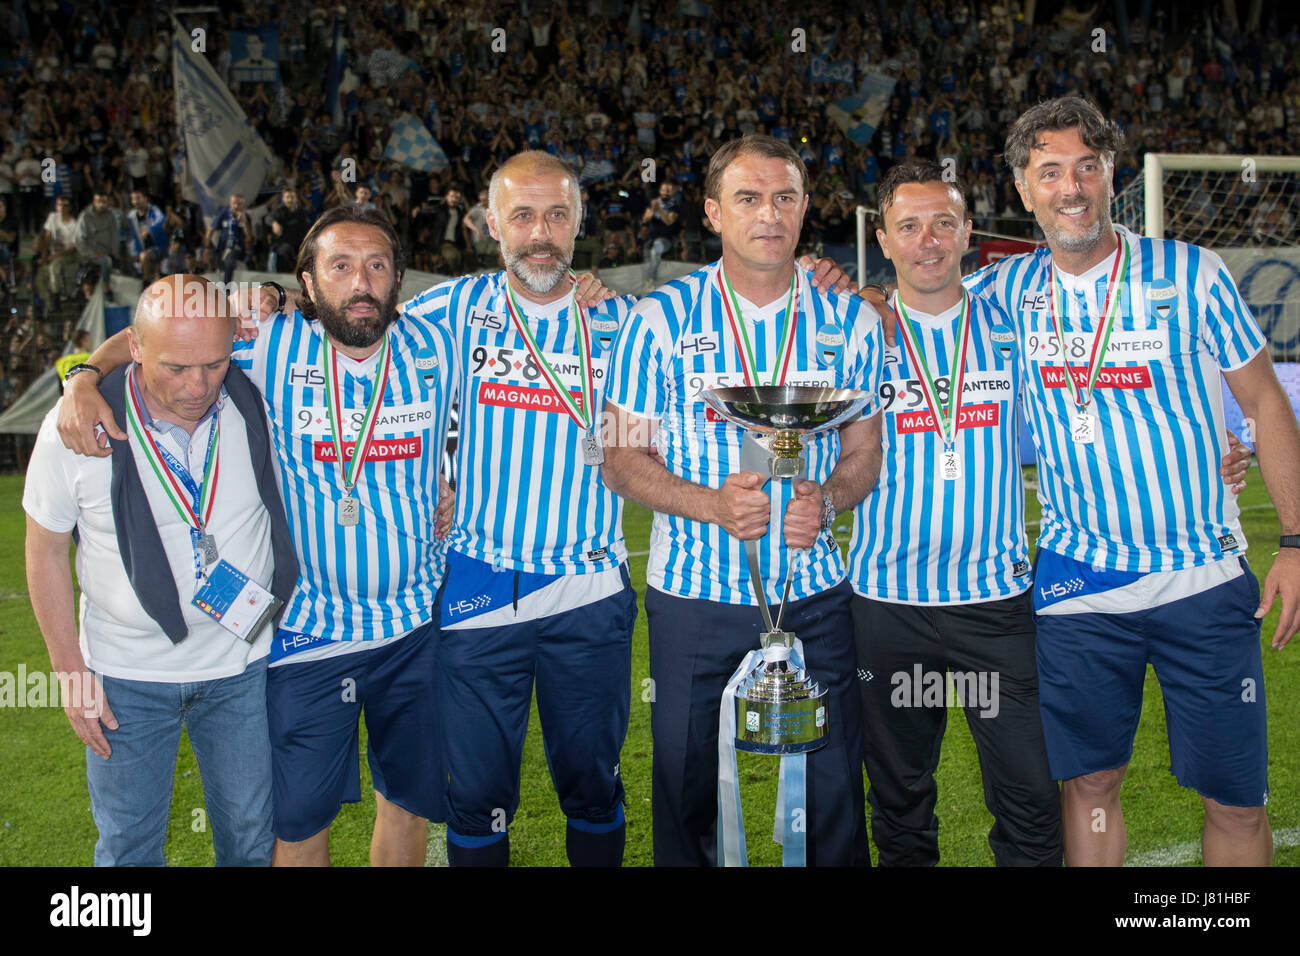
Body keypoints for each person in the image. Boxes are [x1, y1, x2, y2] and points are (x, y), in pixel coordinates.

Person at [864, 96, 1300, 866]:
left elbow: (1264, 402)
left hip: (1201, 576)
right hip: (1080, 589)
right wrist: (863, 297)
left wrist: (1296, 541)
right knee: (1089, 789)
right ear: (1025, 192)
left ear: (1111, 177)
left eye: (1087, 168)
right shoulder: (1003, 297)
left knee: (1236, 800)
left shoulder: (1191, 274)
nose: (1072, 188)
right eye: (1051, 172)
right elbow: (918, 297)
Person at [56, 206, 457, 867]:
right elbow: (151, 338)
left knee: (407, 805)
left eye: (378, 266)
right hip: (306, 636)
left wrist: (450, 482)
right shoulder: (270, 343)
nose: (362, 281)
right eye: (341, 266)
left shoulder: (434, 344)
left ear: (398, 279)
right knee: (296, 824)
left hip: (413, 629)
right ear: (308, 280)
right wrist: (81, 376)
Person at [601, 134, 882, 866]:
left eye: (785, 197)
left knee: (833, 796)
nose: (769, 214)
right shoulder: (655, 320)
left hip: (815, 594)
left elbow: (865, 455)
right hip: (691, 599)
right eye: (749, 198)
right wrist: (710, 505)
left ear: (804, 209)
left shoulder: (851, 324)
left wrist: (828, 497)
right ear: (713, 212)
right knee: (687, 789)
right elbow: (619, 456)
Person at [401, 151, 640, 867]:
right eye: (524, 216)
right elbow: (358, 363)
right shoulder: (445, 311)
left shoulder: (624, 323)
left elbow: (649, 446)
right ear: (491, 223)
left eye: (557, 215)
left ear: (579, 222)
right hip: (479, 588)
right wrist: (88, 375)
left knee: (594, 786)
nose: (542, 233)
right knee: (475, 793)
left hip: (588, 590)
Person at [24, 274, 298, 866]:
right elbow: (45, 550)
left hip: (242, 668)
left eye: (215, 363)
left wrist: (273, 291)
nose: (198, 386)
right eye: (176, 368)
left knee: (251, 840)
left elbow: (347, 309)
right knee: (127, 848)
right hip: (125, 677)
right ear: (136, 347)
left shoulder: (258, 395)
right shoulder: (74, 427)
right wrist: (69, 673)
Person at [849, 159, 1060, 866]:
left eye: (944, 223)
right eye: (909, 227)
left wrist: (1209, 448)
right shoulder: (854, 333)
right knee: (901, 804)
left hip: (996, 608)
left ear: (970, 231)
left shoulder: (1012, 324)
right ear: (883, 239)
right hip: (887, 607)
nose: (928, 240)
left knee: (1031, 797)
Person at [76, 189, 121, 293]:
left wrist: (115, 253)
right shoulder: (85, 216)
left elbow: (115, 236)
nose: (102, 204)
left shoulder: (110, 216)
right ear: (94, 202)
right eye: (99, 201)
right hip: (90, 254)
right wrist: (91, 253)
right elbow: (79, 239)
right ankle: (106, 287)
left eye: (104, 202)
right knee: (106, 262)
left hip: (107, 251)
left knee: (114, 262)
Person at [208, 193, 251, 284]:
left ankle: (226, 288)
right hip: (222, 247)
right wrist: (207, 247)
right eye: (234, 203)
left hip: (237, 247)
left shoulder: (246, 217)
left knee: (229, 260)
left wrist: (244, 223)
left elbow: (249, 238)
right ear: (230, 203)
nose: (236, 206)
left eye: (239, 204)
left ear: (243, 205)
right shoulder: (223, 214)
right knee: (212, 260)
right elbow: (211, 230)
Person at [126, 190, 168, 284]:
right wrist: (133, 252)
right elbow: (130, 236)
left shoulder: (154, 210)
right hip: (140, 249)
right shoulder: (131, 216)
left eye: (138, 198)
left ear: (145, 198)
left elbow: (161, 220)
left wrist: (150, 230)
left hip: (158, 247)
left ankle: (145, 283)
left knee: (145, 256)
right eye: (133, 199)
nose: (135, 202)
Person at [267, 187, 311, 272]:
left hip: (298, 244)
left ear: (296, 198)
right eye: (288, 197)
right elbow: (268, 218)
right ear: (283, 199)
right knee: (285, 251)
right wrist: (274, 223)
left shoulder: (301, 211)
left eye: (292, 197)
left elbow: (306, 228)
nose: (290, 200)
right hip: (283, 244)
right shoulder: (279, 210)